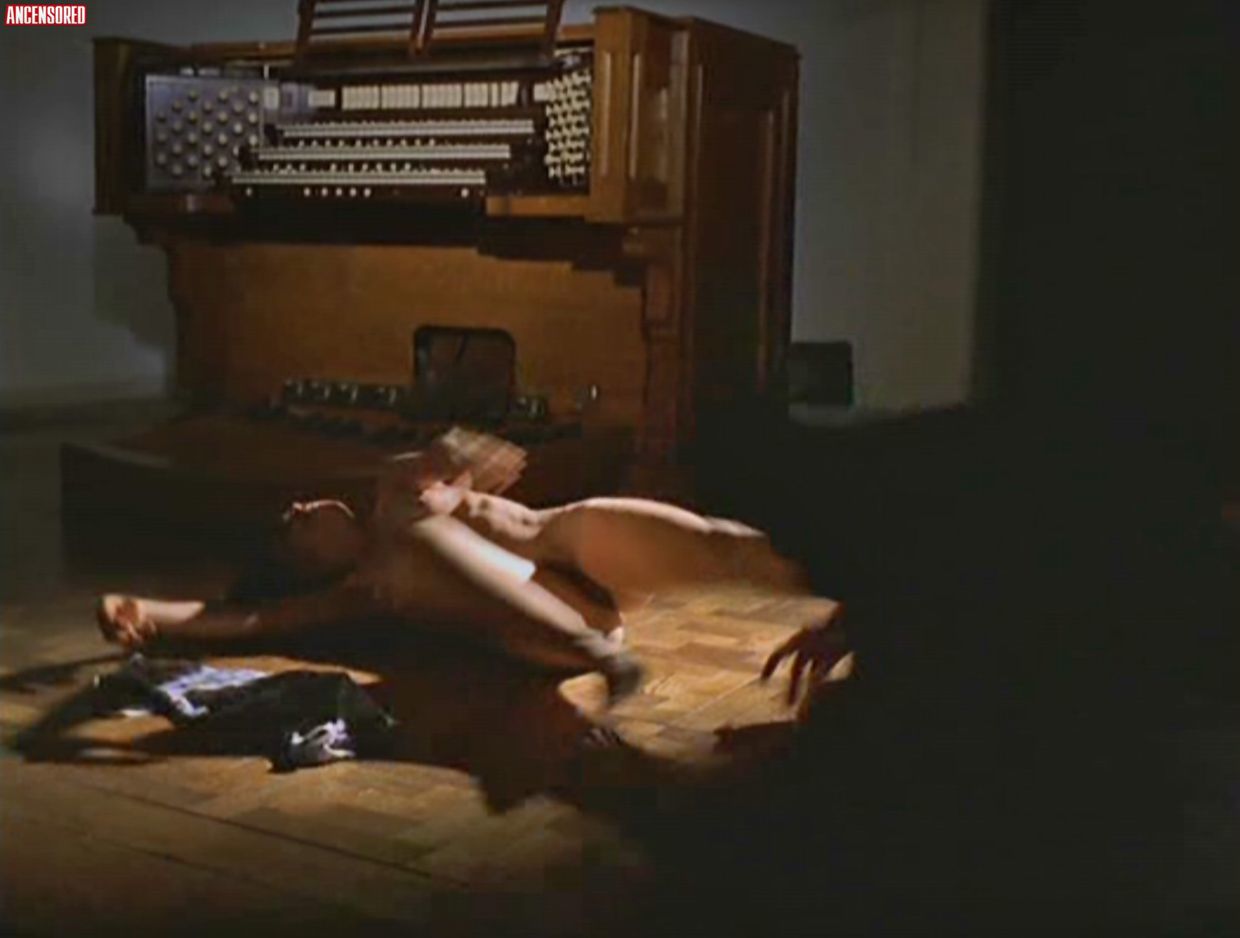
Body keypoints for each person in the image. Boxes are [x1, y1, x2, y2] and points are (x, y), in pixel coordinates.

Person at [97, 429, 848, 704]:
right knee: (403, 553)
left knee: (722, 546)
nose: (297, 509)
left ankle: (865, 589)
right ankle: (598, 656)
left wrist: (456, 453)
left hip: (567, 545)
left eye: (295, 509)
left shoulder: (392, 492)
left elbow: (449, 453)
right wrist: (143, 612)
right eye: (289, 532)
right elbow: (250, 620)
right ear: (308, 569)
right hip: (561, 627)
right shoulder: (361, 588)